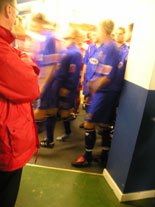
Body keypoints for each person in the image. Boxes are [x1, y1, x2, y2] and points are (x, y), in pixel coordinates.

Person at [0, 1, 40, 206]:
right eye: (16, 11)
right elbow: (31, 86)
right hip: (6, 145)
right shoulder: (3, 51)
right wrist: (24, 59)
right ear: (8, 10)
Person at [71, 19, 121, 168]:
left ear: (104, 31)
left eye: (98, 30)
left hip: (105, 93)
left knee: (88, 123)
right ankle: (104, 154)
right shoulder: (103, 47)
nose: (95, 33)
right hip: (101, 92)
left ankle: (87, 156)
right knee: (105, 125)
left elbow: (108, 75)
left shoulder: (112, 48)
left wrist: (94, 85)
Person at [35, 28, 82, 146]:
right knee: (53, 112)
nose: (65, 39)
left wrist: (67, 88)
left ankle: (66, 133)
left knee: (63, 112)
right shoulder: (64, 51)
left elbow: (74, 72)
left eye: (67, 38)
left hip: (65, 88)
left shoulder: (75, 52)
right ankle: (50, 139)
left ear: (74, 38)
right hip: (57, 86)